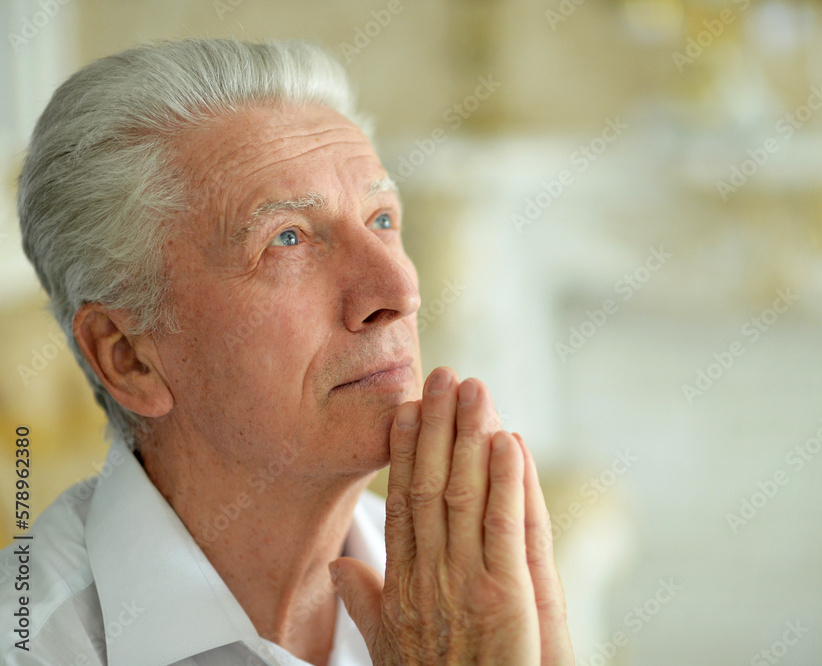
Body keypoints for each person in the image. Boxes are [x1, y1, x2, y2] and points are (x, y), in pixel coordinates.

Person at [0, 38, 573, 665]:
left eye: (382, 219)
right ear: (128, 356)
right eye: (289, 239)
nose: (400, 292)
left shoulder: (465, 594)